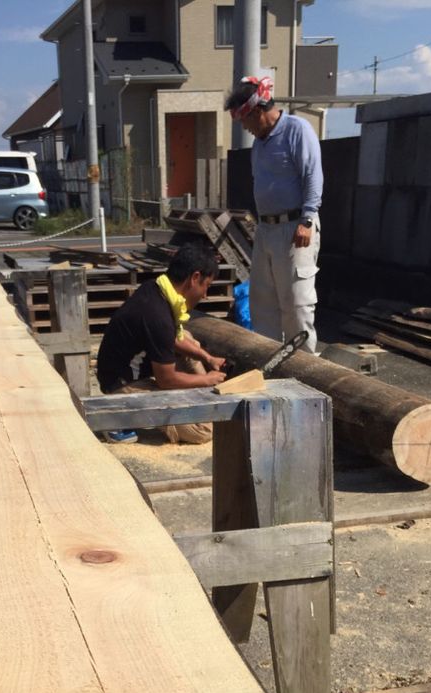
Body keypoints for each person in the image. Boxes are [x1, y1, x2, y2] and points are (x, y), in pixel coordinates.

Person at [224, 75, 323, 354]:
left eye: (244, 121)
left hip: (295, 226)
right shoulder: (259, 144)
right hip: (266, 229)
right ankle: (267, 362)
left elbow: (313, 176)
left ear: (257, 111)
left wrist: (307, 219)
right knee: (262, 301)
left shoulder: (297, 130)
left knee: (296, 304)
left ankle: (304, 367)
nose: (245, 128)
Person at [96, 243, 227, 444]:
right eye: (206, 286)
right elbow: (166, 379)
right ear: (195, 278)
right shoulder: (157, 316)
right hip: (121, 385)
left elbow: (172, 338)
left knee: (188, 338)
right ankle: (115, 417)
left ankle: (205, 397)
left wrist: (208, 358)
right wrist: (207, 380)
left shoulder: (156, 288)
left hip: (136, 367)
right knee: (203, 430)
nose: (205, 295)